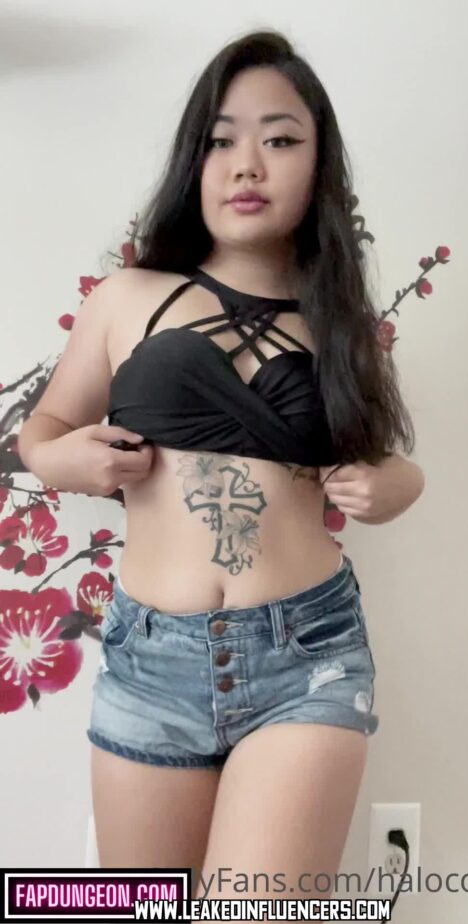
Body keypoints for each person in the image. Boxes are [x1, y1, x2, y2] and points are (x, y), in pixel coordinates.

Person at [19, 29, 422, 897]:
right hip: (150, 663)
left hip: (307, 656)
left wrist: (393, 485)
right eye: (220, 140)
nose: (247, 164)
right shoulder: (125, 297)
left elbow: (390, 463)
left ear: (319, 166)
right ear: (193, 162)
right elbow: (40, 431)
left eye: (280, 139)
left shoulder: (341, 323)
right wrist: (65, 457)